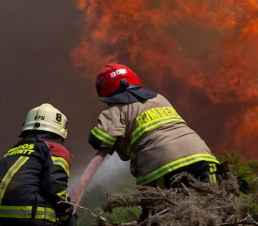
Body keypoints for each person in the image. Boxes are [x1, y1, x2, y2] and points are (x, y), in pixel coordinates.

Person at [88, 63, 220, 188]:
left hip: (162, 166)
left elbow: (98, 140)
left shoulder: (115, 110)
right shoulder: (160, 98)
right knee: (216, 205)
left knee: (165, 210)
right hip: (201, 156)